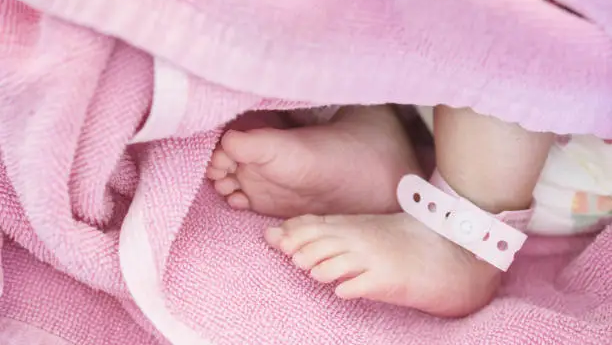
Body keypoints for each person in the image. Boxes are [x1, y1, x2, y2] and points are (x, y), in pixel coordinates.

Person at [206, 104, 609, 316]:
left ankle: (459, 235)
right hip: (425, 76)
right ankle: (371, 129)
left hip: (541, 132)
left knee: (525, 1)